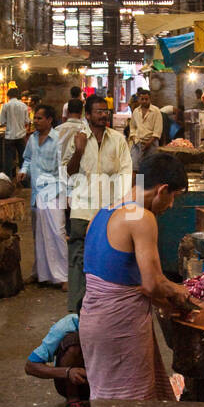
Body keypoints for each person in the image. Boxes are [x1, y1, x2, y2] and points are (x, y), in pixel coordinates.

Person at [79, 151, 194, 404]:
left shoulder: (101, 214)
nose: (171, 205)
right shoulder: (141, 217)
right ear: (162, 189)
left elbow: (124, 279)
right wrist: (179, 291)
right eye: (173, 196)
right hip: (118, 326)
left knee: (109, 401)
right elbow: (153, 282)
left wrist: (165, 301)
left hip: (93, 322)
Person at [63, 94, 133, 313]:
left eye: (106, 111)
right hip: (82, 211)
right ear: (88, 115)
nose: (104, 115)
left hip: (109, 213)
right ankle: (76, 312)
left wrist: (121, 208)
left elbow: (125, 173)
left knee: (107, 260)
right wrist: (79, 150)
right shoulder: (77, 138)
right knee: (78, 261)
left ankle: (102, 310)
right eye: (99, 112)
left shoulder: (118, 140)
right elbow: (68, 172)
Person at [16, 105, 68, 288]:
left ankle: (63, 276)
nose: (35, 121)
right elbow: (28, 159)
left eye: (39, 118)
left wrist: (66, 194)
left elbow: (63, 168)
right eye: (34, 118)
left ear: (49, 120)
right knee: (39, 234)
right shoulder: (32, 139)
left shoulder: (57, 141)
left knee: (57, 232)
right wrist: (23, 171)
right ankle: (40, 272)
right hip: (37, 193)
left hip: (53, 192)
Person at [24, 313, 90, 407]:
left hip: (105, 382)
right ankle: (73, 399)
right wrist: (68, 372)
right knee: (72, 341)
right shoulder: (66, 326)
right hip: (80, 381)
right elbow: (30, 366)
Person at [0, 87, 29, 177]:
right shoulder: (23, 106)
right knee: (22, 160)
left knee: (8, 159)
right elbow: (27, 121)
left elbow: (2, 122)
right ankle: (23, 181)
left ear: (8, 96)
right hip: (21, 136)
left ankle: (9, 179)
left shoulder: (6, 105)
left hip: (9, 136)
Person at [128, 89, 163, 169]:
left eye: (146, 99)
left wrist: (149, 142)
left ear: (150, 99)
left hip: (152, 143)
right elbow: (132, 126)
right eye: (142, 99)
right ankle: (140, 182)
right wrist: (133, 137)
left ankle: (148, 182)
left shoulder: (156, 111)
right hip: (137, 143)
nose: (144, 101)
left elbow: (157, 130)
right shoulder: (136, 111)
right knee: (136, 168)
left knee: (150, 167)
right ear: (139, 100)